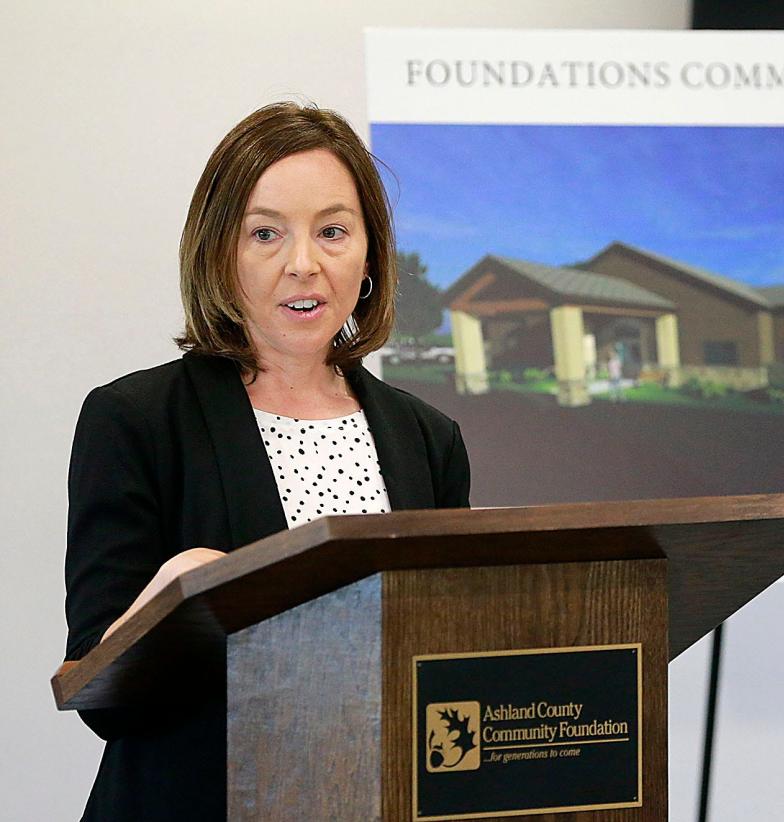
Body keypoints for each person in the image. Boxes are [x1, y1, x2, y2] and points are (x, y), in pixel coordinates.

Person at [63, 102, 470, 820]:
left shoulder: (427, 437)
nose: (303, 263)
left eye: (334, 231)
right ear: (220, 251)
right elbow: (101, 697)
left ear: (372, 254)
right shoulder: (136, 422)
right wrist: (168, 599)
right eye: (265, 233)